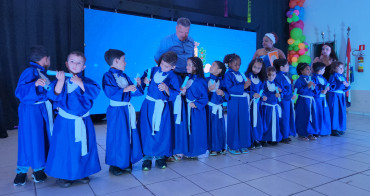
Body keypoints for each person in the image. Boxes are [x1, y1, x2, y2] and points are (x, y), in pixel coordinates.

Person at [45, 51, 101, 188]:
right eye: (72, 61)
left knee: (83, 146)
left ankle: (82, 172)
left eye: (79, 62)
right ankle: (63, 175)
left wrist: (80, 83)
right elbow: (54, 95)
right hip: (65, 122)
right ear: (66, 64)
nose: (75, 65)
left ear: (84, 67)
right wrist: (60, 81)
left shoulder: (88, 82)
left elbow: (94, 93)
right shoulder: (60, 81)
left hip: (83, 121)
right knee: (65, 148)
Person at [14, 45, 52, 185]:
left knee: (39, 138)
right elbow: (20, 92)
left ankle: (38, 168)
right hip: (31, 111)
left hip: (39, 110)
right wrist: (34, 85)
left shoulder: (40, 72)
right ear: (45, 59)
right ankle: (22, 171)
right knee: (30, 139)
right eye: (49, 59)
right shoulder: (30, 72)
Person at [102, 49, 144, 176]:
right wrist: (125, 89)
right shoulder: (108, 76)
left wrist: (138, 84)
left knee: (128, 135)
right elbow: (110, 92)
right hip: (116, 110)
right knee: (116, 136)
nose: (125, 63)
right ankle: (114, 164)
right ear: (116, 61)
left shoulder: (124, 76)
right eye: (123, 60)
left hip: (126, 109)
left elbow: (134, 91)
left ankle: (125, 161)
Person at [139, 51, 180, 170]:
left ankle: (160, 157)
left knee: (162, 131)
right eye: (162, 64)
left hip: (162, 108)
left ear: (173, 67)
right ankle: (146, 158)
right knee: (147, 130)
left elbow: (175, 93)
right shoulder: (152, 70)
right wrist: (143, 81)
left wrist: (167, 88)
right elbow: (141, 83)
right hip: (149, 105)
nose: (163, 67)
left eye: (166, 66)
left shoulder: (173, 77)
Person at [179, 57, 208, 158]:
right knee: (187, 129)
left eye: (189, 65)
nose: (187, 66)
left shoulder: (201, 81)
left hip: (196, 111)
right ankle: (187, 150)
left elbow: (205, 97)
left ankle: (195, 151)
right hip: (187, 109)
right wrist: (183, 93)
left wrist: (196, 104)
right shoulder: (187, 79)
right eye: (187, 64)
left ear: (196, 67)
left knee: (195, 130)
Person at [223, 53, 252, 154]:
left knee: (243, 122)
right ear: (229, 64)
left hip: (243, 100)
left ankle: (243, 144)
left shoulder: (241, 74)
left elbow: (246, 86)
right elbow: (229, 89)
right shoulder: (228, 75)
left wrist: (248, 85)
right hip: (234, 100)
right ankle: (232, 145)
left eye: (239, 64)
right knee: (234, 122)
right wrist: (243, 86)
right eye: (235, 64)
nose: (238, 66)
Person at [206, 61, 228, 155]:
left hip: (219, 108)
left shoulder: (222, 82)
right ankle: (213, 148)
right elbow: (201, 94)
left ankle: (222, 146)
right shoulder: (206, 80)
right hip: (210, 109)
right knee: (212, 128)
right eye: (212, 64)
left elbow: (227, 95)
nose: (211, 66)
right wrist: (208, 90)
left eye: (214, 65)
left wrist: (222, 93)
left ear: (219, 70)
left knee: (220, 127)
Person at [245, 58, 266, 149]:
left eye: (259, 68)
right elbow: (244, 89)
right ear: (251, 66)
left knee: (257, 121)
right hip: (248, 103)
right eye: (255, 67)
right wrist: (252, 94)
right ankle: (249, 140)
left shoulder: (261, 79)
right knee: (249, 121)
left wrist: (263, 96)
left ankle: (256, 139)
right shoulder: (247, 76)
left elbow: (262, 90)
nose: (256, 70)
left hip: (257, 104)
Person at [273, 59, 296, 143]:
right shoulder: (279, 77)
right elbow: (281, 90)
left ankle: (286, 134)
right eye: (286, 65)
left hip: (287, 99)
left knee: (287, 117)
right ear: (281, 67)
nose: (288, 67)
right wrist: (289, 95)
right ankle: (283, 135)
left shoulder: (284, 76)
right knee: (284, 117)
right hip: (283, 100)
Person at [294, 63, 318, 141]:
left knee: (311, 116)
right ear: (301, 71)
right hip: (303, 100)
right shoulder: (299, 80)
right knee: (303, 116)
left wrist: (314, 88)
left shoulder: (310, 79)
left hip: (310, 100)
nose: (309, 70)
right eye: (307, 69)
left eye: (310, 69)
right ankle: (302, 133)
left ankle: (310, 132)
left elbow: (314, 92)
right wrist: (307, 86)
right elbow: (299, 91)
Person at [327, 62, 350, 136]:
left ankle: (340, 127)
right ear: (334, 68)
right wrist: (341, 84)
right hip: (334, 95)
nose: (342, 69)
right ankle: (333, 129)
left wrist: (347, 85)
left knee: (341, 111)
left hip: (341, 96)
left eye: (343, 68)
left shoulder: (342, 77)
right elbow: (331, 86)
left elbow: (346, 87)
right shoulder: (333, 76)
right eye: (340, 67)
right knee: (334, 111)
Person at [261, 66, 282, 145]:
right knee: (266, 122)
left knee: (274, 122)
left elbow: (279, 96)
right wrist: (264, 96)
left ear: (275, 75)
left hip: (274, 107)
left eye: (273, 75)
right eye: (269, 75)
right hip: (267, 107)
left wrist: (280, 93)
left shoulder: (276, 84)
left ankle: (273, 138)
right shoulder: (264, 83)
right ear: (266, 75)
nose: (271, 77)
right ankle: (264, 139)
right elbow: (262, 93)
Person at [311, 62, 331, 136]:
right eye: (323, 69)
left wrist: (327, 88)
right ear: (319, 70)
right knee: (317, 114)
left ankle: (324, 130)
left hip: (323, 99)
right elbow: (313, 89)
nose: (324, 71)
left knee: (324, 113)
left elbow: (326, 85)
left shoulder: (323, 78)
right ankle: (317, 130)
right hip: (317, 99)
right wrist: (320, 91)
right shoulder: (314, 78)